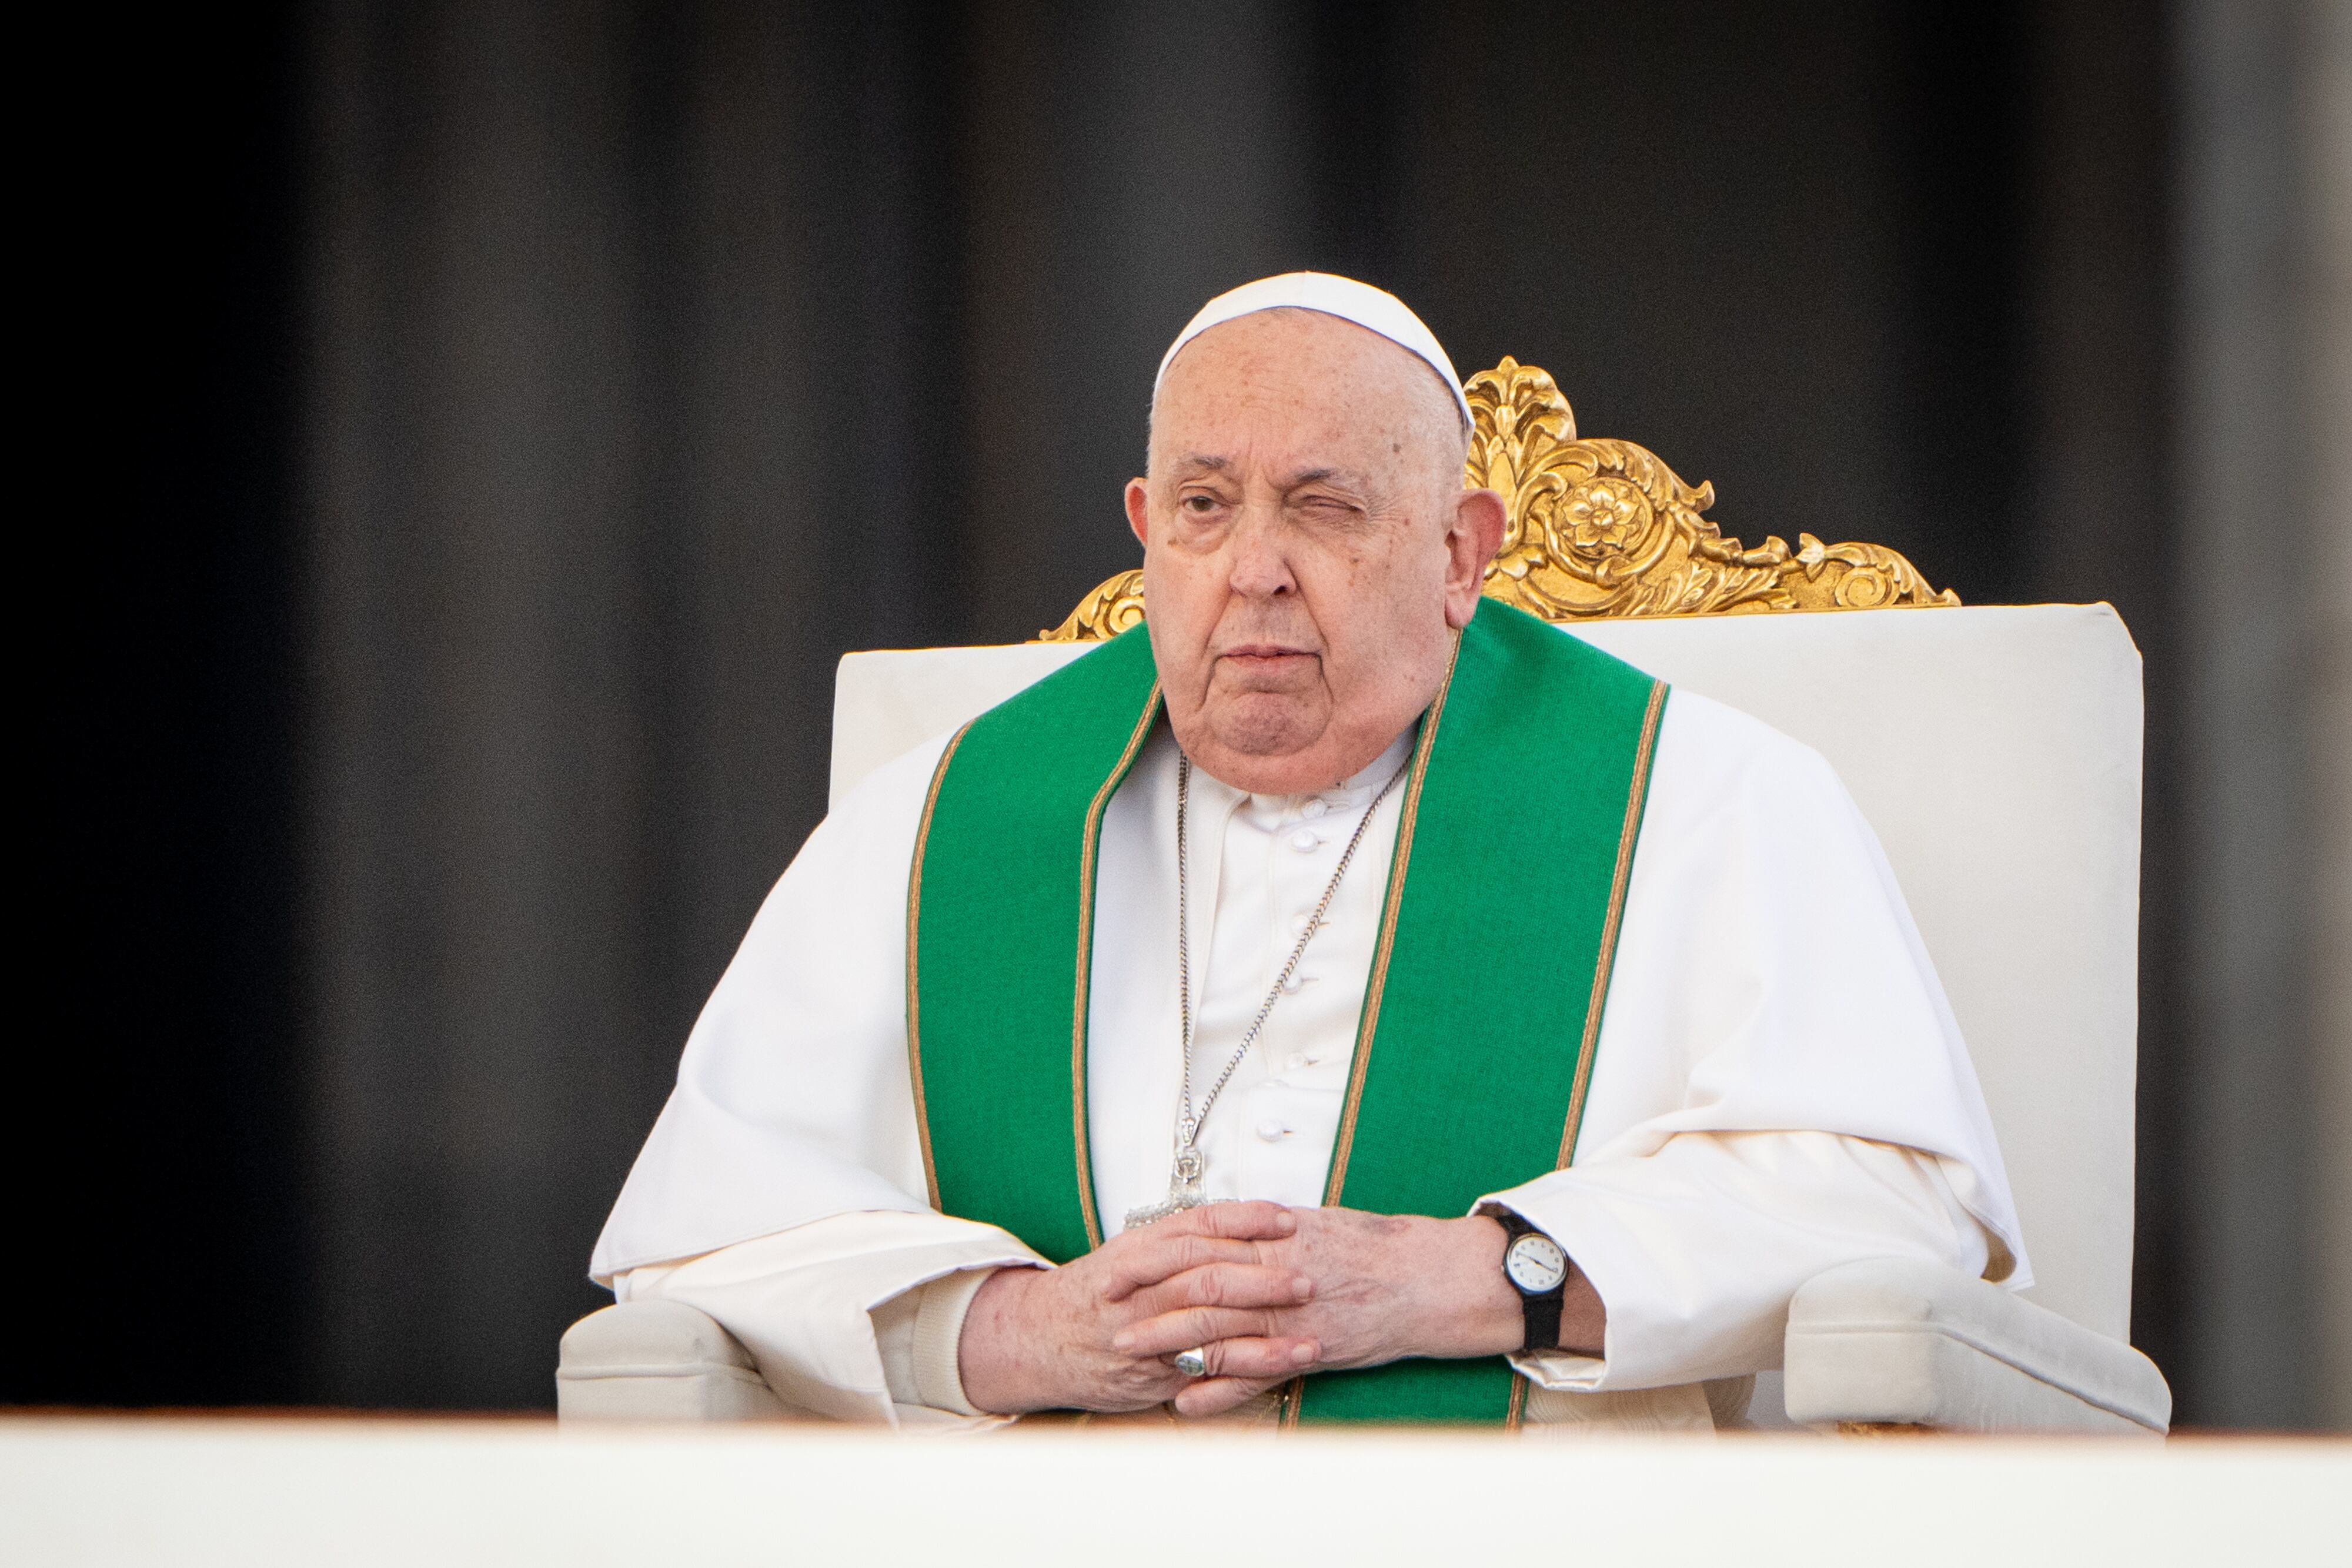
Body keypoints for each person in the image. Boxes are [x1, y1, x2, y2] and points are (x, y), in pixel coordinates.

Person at [589, 273, 2026, 1430]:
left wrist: (1471, 1279)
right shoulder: (944, 820)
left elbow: (1900, 1201)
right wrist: (1028, 1329)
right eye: (1205, 508)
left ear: (1461, 554)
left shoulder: (1701, 797)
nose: (1253, 568)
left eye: (1324, 506)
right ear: (1149, 534)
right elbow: (707, 1226)